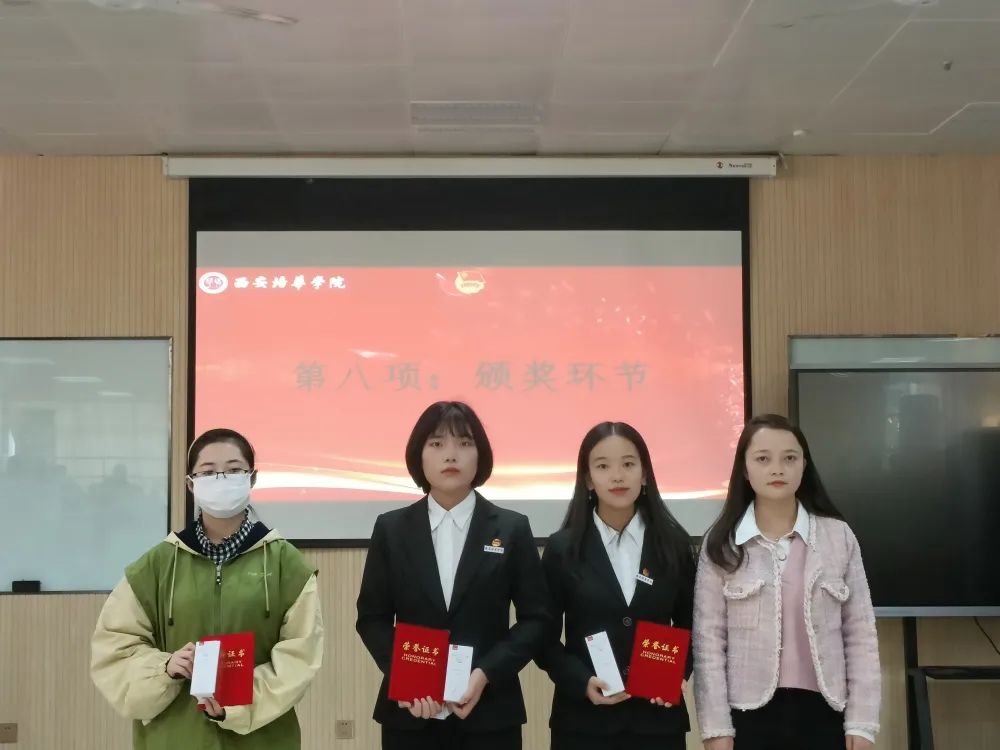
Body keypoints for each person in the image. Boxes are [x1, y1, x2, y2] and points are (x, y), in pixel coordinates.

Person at [91, 428, 324, 749]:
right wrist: (164, 668)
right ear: (191, 484)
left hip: (262, 739)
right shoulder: (156, 566)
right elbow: (115, 646)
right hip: (174, 736)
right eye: (209, 472)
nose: (221, 479)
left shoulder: (286, 564)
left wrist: (238, 705)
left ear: (252, 479)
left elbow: (300, 655)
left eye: (234, 470)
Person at [356, 401, 549, 750]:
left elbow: (536, 619)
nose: (450, 454)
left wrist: (487, 673)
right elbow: (372, 618)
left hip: (490, 712)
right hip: (411, 714)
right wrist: (405, 677)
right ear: (418, 456)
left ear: (480, 455)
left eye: (464, 443)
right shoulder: (391, 528)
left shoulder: (511, 528)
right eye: (436, 443)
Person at [693, 414, 880, 750]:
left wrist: (862, 722)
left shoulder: (838, 537)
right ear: (745, 468)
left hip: (826, 712)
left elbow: (861, 633)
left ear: (804, 465)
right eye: (763, 459)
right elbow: (709, 643)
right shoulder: (722, 544)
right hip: (747, 715)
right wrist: (716, 727)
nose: (777, 469)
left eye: (789, 458)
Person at [536, 421, 695, 750]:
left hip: (656, 722)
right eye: (603, 466)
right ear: (587, 479)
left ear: (645, 474)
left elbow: (692, 623)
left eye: (628, 464)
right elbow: (542, 635)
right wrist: (580, 681)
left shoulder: (674, 544)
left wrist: (677, 672)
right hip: (583, 722)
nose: (618, 476)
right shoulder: (562, 548)